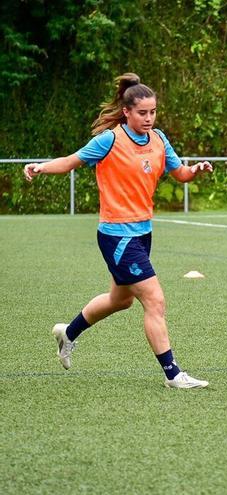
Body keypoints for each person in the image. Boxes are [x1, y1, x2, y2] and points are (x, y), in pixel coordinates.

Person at [23, 73, 213, 388]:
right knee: (154, 300)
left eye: (153, 112)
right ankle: (173, 374)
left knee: (120, 299)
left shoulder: (159, 139)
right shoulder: (109, 140)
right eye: (142, 113)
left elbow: (179, 172)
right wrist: (40, 166)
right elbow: (71, 161)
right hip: (117, 235)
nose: (149, 118)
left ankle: (67, 333)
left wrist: (195, 170)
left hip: (142, 232)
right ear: (127, 111)